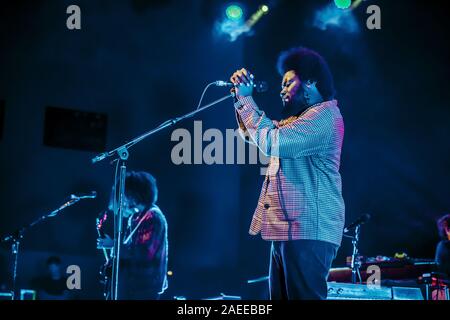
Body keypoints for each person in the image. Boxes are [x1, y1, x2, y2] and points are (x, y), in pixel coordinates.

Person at [230, 47, 345, 300]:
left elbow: (272, 141)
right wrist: (240, 99)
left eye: (288, 82)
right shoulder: (298, 120)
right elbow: (254, 134)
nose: (281, 89)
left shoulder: (324, 115)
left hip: (308, 230)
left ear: (311, 82)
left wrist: (247, 100)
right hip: (288, 229)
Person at [97, 171, 168, 300]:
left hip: (144, 288)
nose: (121, 200)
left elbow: (144, 253)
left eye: (124, 195)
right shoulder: (135, 218)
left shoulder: (153, 216)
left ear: (134, 195)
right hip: (131, 286)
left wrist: (113, 244)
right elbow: (128, 251)